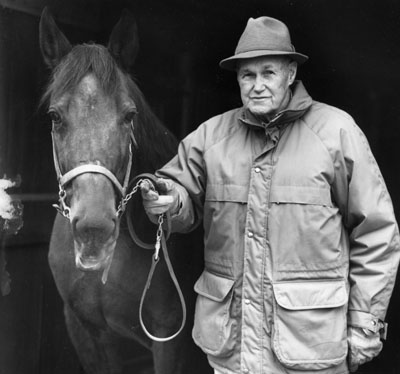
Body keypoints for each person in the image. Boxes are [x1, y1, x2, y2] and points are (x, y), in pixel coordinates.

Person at [140, 16, 400, 374]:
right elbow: (178, 191)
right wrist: (169, 202)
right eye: (248, 75)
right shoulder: (211, 137)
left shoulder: (337, 133)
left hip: (311, 350)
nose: (257, 85)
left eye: (268, 73)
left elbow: (377, 232)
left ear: (291, 73)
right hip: (232, 353)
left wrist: (364, 322)